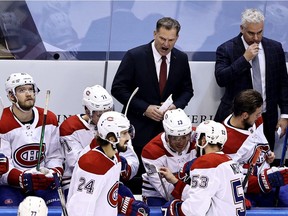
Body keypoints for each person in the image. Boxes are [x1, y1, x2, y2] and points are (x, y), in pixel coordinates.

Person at [111, 17, 194, 177]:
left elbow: (187, 91)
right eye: (162, 38)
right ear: (155, 34)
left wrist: (175, 106)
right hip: (138, 130)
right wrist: (145, 108)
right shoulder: (135, 56)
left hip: (167, 136)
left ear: (177, 38)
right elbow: (118, 88)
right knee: (137, 180)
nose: (166, 44)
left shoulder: (181, 59)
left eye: (171, 40)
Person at [214, 8, 288, 151]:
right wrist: (244, 59)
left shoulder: (275, 48)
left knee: (264, 162)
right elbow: (221, 79)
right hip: (236, 120)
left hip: (267, 119)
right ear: (242, 29)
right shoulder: (226, 48)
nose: (255, 38)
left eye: (259, 32)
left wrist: (285, 115)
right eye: (251, 33)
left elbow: (283, 85)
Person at [60, 84, 139, 197]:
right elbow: (76, 163)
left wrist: (125, 166)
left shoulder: (118, 124)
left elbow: (132, 160)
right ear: (88, 111)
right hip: (78, 181)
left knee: (135, 208)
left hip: (109, 180)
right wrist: (100, 140)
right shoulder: (70, 127)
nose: (105, 118)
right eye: (100, 114)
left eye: (109, 111)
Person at [66, 111, 150, 216]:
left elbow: (105, 194)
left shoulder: (114, 158)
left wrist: (124, 204)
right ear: (111, 138)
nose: (128, 138)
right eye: (124, 133)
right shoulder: (91, 164)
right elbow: (79, 209)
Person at [0, 72, 64, 206]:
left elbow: (54, 156)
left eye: (30, 89)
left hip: (43, 183)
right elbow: (4, 165)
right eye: (22, 90)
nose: (29, 94)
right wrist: (21, 178)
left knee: (57, 209)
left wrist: (53, 173)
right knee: (9, 209)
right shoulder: (3, 121)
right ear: (11, 96)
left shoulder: (49, 118)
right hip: (12, 186)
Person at [159, 120, 246, 216]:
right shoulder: (230, 162)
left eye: (197, 140)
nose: (195, 145)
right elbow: (203, 194)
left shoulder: (207, 163)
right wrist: (175, 181)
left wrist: (174, 209)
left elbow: (194, 210)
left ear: (203, 140)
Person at [222, 89, 288, 207]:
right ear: (244, 115)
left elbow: (259, 139)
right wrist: (263, 180)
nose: (259, 116)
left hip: (266, 174)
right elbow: (230, 178)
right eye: (257, 114)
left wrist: (267, 153)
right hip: (251, 187)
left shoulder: (253, 119)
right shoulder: (226, 141)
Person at [141, 108, 196, 206]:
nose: (181, 142)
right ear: (167, 135)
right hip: (157, 195)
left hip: (189, 191)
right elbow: (166, 193)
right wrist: (195, 198)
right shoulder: (150, 151)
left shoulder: (197, 138)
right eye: (175, 138)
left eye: (184, 137)